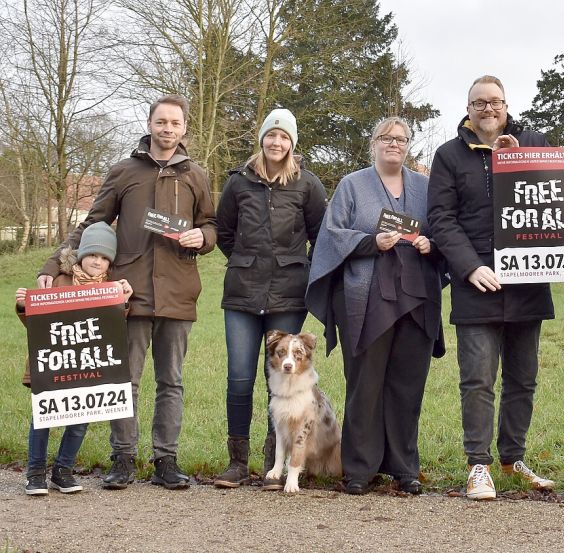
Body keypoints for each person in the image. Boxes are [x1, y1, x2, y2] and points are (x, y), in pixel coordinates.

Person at [37, 94, 217, 491]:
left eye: (175, 123)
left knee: (171, 381)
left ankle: (166, 460)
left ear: (185, 128)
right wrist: (53, 265)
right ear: (150, 124)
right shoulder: (124, 171)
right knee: (125, 381)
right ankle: (122, 458)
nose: (168, 129)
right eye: (161, 122)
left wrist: (201, 236)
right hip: (127, 293)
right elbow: (92, 224)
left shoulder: (196, 175)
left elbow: (212, 225)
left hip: (178, 293)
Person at [427, 76, 556, 500]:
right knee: (478, 379)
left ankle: (512, 457)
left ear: (506, 105)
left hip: (527, 281)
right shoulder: (449, 156)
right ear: (468, 108)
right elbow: (442, 219)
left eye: (495, 102)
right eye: (479, 103)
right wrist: (468, 268)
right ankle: (477, 464)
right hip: (476, 286)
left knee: (523, 379)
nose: (488, 109)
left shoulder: (533, 141)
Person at [307, 116, 443, 496]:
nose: (394, 144)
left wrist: (431, 244)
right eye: (386, 137)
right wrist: (372, 241)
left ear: (408, 145)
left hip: (416, 296)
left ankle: (404, 467)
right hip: (365, 297)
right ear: (374, 143)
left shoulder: (425, 187)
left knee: (407, 385)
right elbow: (331, 235)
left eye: (401, 138)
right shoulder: (352, 185)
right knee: (365, 384)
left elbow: (442, 228)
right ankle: (359, 469)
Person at [213, 109, 327, 489]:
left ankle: (272, 465)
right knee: (240, 378)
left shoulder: (307, 184)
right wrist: (247, 261)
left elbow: (320, 235)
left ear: (292, 143)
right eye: (271, 135)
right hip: (243, 293)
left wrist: (298, 267)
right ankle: (237, 462)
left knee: (280, 379)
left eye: (284, 137)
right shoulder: (238, 183)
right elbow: (224, 232)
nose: (277, 142)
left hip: (288, 295)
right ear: (261, 138)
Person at [17, 222, 133, 495]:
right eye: (93, 254)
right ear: (81, 255)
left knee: (80, 419)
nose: (98, 261)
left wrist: (124, 303)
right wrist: (24, 307)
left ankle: (63, 470)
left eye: (105, 258)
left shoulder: (111, 288)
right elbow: (40, 326)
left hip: (89, 365)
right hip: (54, 365)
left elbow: (113, 330)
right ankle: (35, 473)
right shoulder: (58, 281)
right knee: (43, 419)